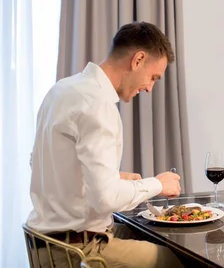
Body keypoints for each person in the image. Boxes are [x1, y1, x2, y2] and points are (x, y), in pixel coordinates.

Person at [27, 22, 184, 267]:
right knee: (174, 260)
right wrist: (158, 184)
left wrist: (113, 176)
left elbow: (40, 160)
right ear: (138, 60)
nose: (150, 88)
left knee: (151, 236)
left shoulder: (61, 90)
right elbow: (105, 199)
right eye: (153, 77)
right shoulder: (98, 105)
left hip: (46, 243)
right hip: (76, 249)